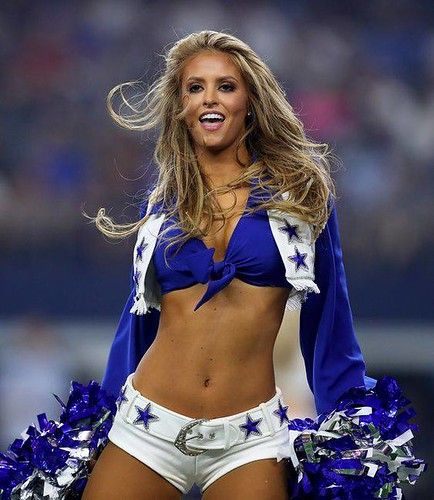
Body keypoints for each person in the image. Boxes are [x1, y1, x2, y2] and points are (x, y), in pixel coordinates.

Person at [0, 30, 426, 500]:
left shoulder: (300, 198)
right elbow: (137, 321)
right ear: (181, 105)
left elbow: (330, 325)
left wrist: (349, 430)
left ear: (250, 100)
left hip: (248, 437)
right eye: (194, 87)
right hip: (147, 427)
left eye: (225, 85)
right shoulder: (164, 204)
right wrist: (95, 424)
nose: (209, 97)